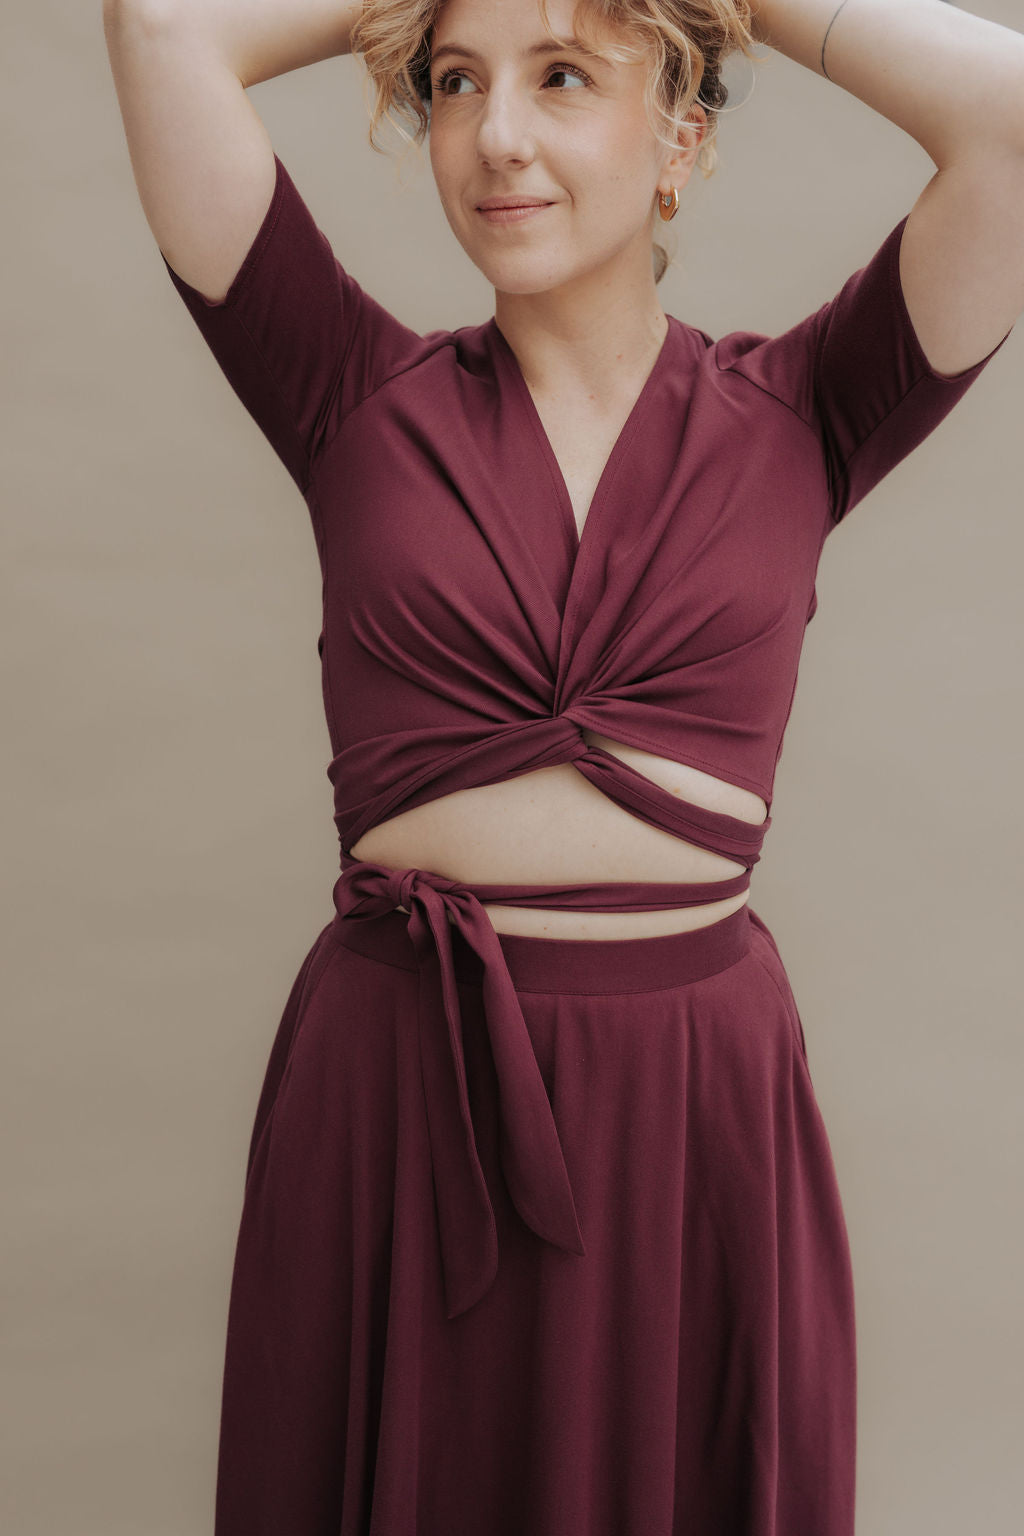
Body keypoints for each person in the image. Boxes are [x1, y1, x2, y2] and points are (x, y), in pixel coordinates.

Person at [103, 0, 1021, 1530]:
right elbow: (162, 26)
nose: (497, 136)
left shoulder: (804, 414)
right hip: (398, 1098)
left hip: (692, 1117)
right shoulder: (345, 392)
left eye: (565, 76)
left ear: (681, 139)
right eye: (456, 82)